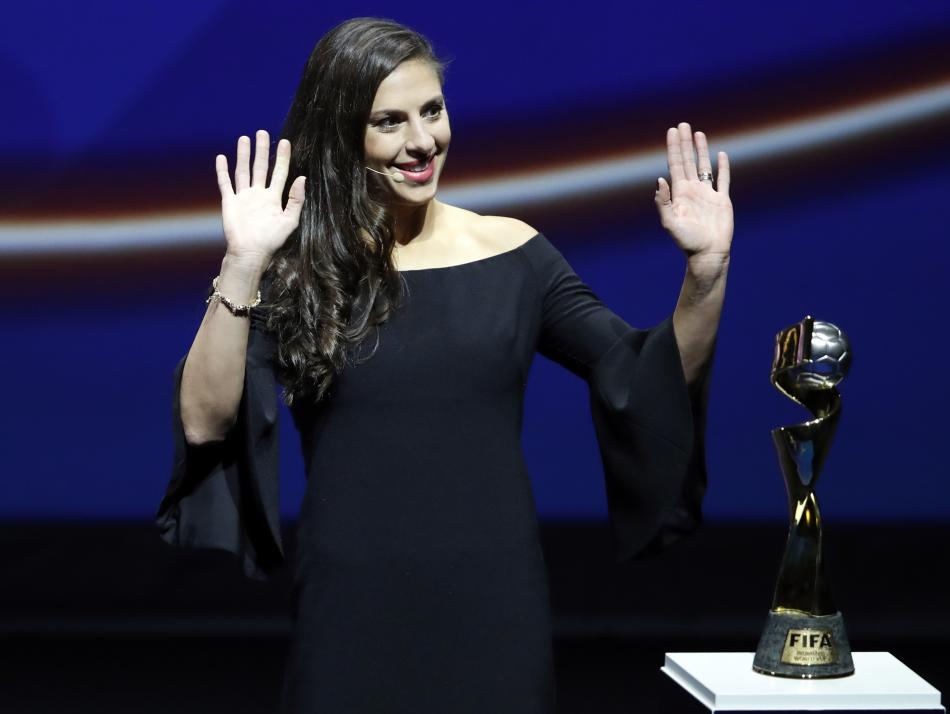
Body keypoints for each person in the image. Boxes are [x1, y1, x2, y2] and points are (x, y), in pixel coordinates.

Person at [156, 16, 732, 714]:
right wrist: (243, 264)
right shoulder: (298, 267)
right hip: (350, 607)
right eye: (389, 122)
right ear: (343, 134)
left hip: (494, 603)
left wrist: (706, 271)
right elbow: (204, 419)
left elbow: (650, 378)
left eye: (432, 110)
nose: (423, 140)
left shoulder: (515, 255)